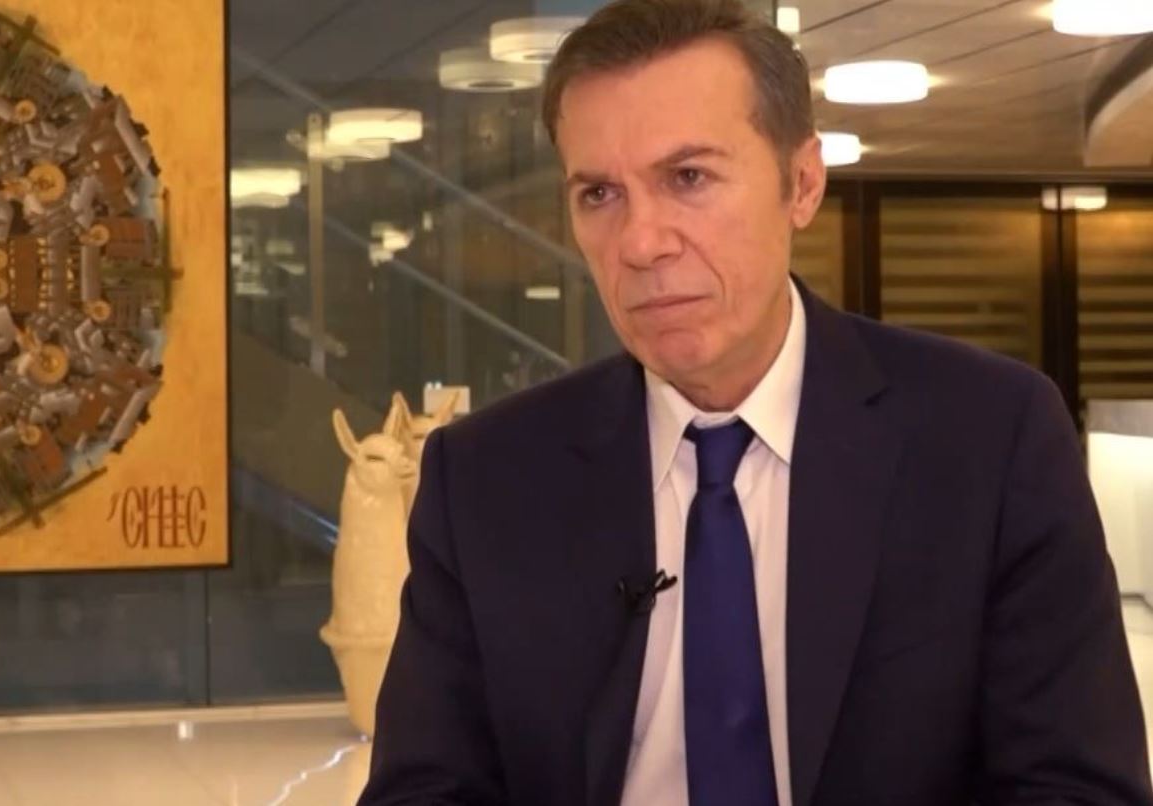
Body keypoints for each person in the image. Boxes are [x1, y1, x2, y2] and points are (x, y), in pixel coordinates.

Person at [357, 0, 1153, 804]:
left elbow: (1077, 788)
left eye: (688, 178)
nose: (641, 242)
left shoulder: (991, 438)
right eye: (599, 193)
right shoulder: (485, 478)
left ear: (801, 184)